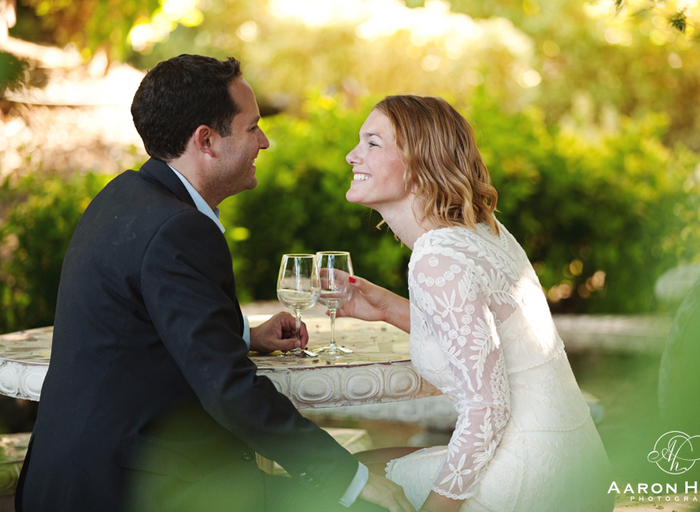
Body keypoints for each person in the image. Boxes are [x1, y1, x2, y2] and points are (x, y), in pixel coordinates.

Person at [15, 55, 413, 512]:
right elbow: (229, 390)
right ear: (206, 140)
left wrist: (243, 335)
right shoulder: (177, 230)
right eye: (252, 128)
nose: (265, 141)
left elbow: (151, 327)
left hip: (73, 475)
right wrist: (348, 478)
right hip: (134, 490)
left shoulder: (124, 196)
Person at [338, 95, 614, 512]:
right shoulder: (485, 230)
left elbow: (487, 408)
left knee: (345, 479)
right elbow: (486, 339)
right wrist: (385, 308)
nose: (351, 155)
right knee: (363, 467)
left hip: (527, 481)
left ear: (420, 162)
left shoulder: (435, 256)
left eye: (372, 143)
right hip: (581, 468)